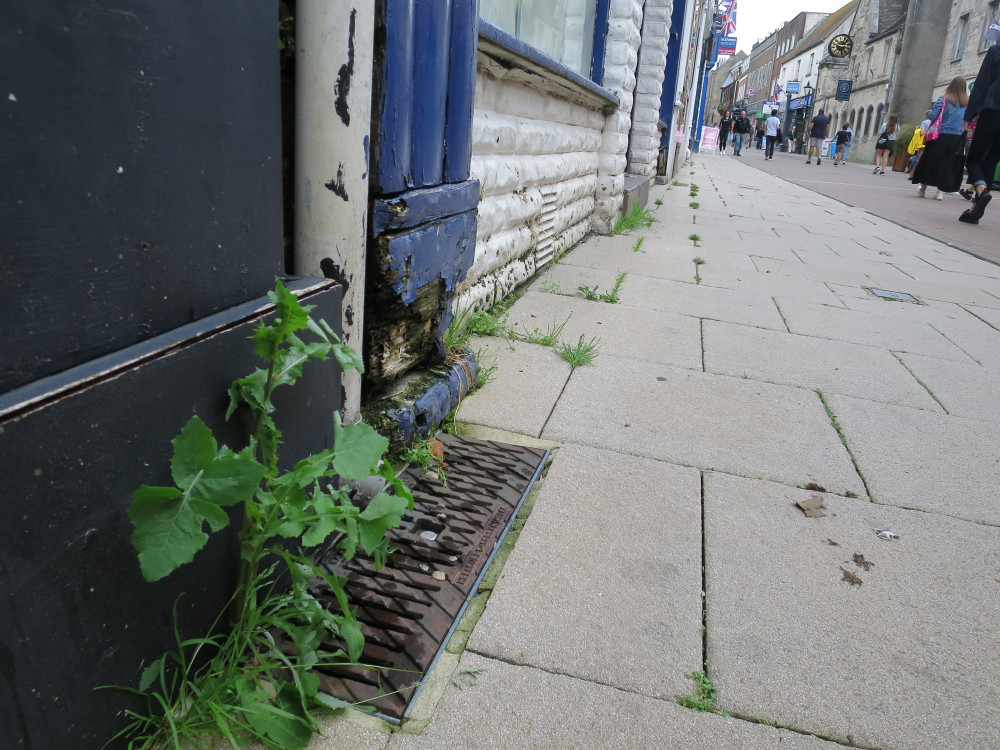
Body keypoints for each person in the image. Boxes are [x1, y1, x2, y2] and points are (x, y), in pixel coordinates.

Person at [959, 25, 1000, 224]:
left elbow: (981, 86)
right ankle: (974, 208)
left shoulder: (995, 50)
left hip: (992, 111)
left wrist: (969, 115)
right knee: (991, 162)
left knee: (974, 159)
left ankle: (981, 190)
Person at [912, 76, 969, 200]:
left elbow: (932, 116)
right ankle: (940, 192)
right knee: (947, 163)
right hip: (957, 138)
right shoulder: (967, 103)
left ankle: (923, 189)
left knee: (930, 160)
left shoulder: (944, 99)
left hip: (940, 135)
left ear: (951, 85)